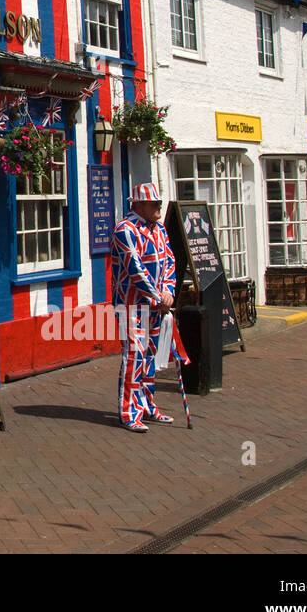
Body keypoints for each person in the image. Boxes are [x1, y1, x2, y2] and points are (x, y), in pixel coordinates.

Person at [110, 183, 176, 432]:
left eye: (159, 203)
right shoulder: (125, 230)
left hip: (157, 306)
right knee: (134, 355)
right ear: (137, 205)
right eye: (153, 203)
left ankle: (147, 406)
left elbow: (169, 260)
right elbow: (134, 268)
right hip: (131, 305)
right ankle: (128, 412)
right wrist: (157, 296)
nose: (159, 206)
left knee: (150, 354)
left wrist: (168, 291)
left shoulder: (159, 229)